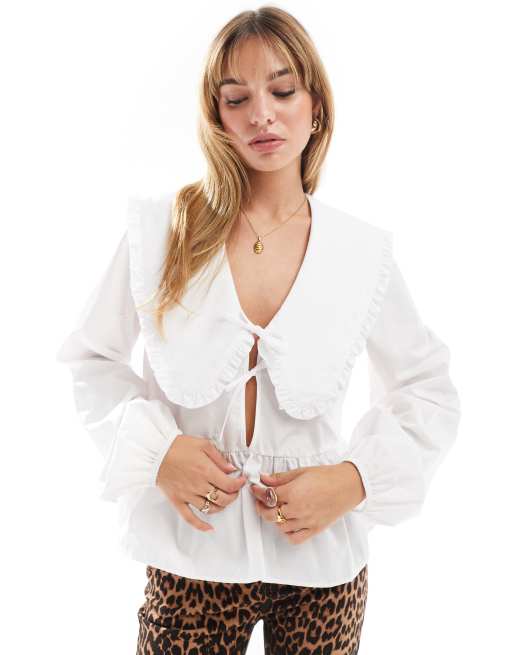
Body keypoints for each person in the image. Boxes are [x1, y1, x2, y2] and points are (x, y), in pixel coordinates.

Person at [56, 6, 461, 654]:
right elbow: (91, 359)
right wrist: (158, 452)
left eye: (282, 90)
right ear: (216, 115)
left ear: (316, 106)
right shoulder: (163, 230)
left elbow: (427, 387)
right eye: (237, 98)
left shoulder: (360, 252)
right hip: (192, 559)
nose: (261, 115)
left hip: (322, 564)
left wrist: (354, 479)